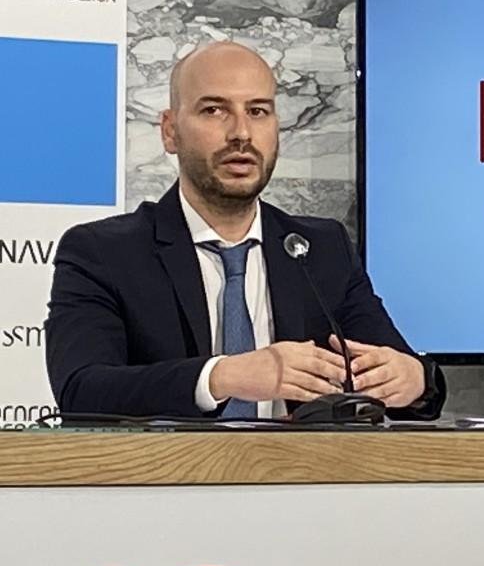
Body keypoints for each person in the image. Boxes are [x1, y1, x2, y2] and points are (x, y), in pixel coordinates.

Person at [45, 41, 444, 420]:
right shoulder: (103, 252)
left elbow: (410, 382)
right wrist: (222, 376)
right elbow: (81, 391)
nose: (241, 133)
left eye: (257, 111)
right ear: (169, 130)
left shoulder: (320, 250)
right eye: (214, 110)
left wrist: (413, 380)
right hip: (167, 470)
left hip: (302, 468)